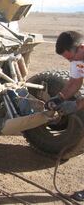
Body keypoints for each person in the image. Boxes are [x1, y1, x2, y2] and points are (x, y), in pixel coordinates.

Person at [45, 31, 84, 202]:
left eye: (72, 59)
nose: (73, 63)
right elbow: (75, 82)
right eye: (69, 61)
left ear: (81, 48)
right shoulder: (79, 59)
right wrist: (59, 98)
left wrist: (75, 105)